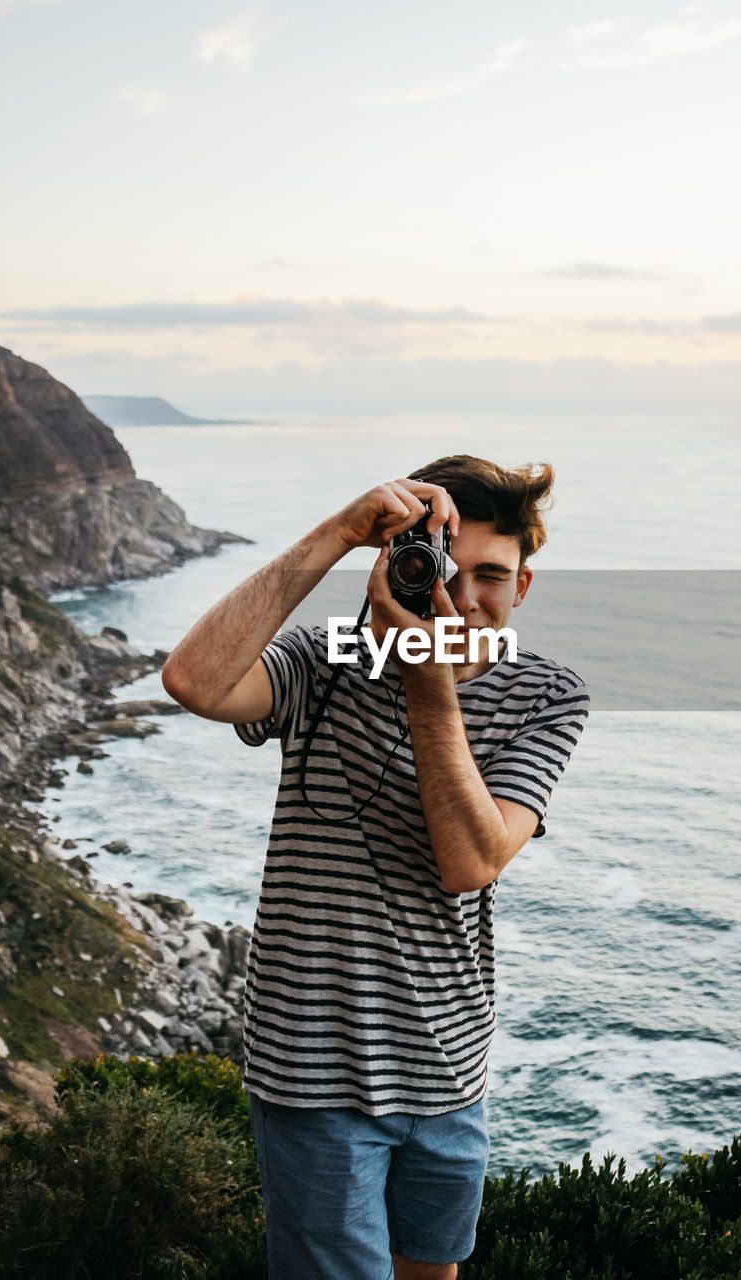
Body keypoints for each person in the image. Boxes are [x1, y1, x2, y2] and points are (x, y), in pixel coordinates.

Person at [162, 454, 589, 1280]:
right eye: (438, 569)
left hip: (450, 1068)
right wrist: (337, 531)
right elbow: (194, 680)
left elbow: (470, 860)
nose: (462, 599)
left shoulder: (547, 694)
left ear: (523, 588)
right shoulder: (327, 660)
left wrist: (427, 685)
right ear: (393, 565)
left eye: (492, 576)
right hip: (312, 1076)